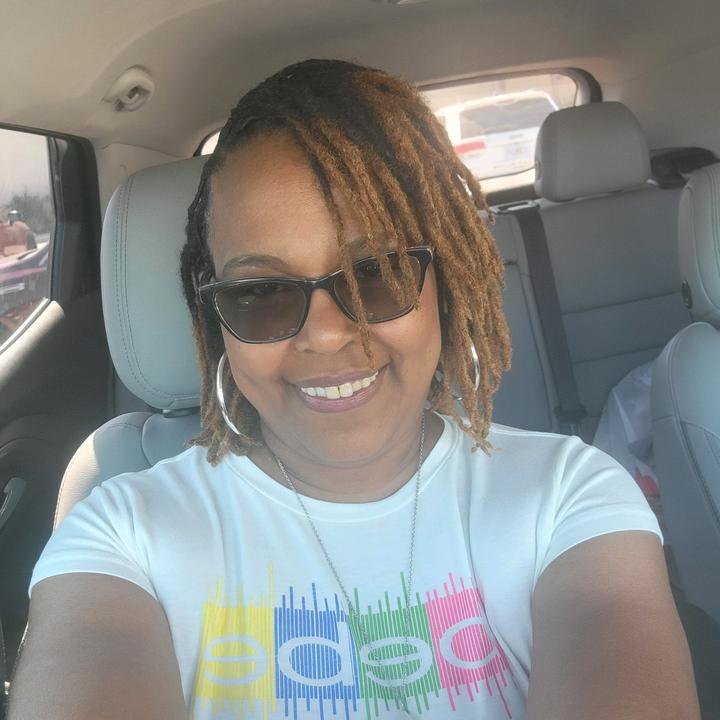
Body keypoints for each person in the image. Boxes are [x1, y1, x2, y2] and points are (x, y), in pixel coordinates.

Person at [9, 60, 698, 720]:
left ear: (445, 287)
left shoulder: (571, 497)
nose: (326, 334)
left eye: (376, 273)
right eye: (261, 293)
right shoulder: (123, 533)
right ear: (215, 318)